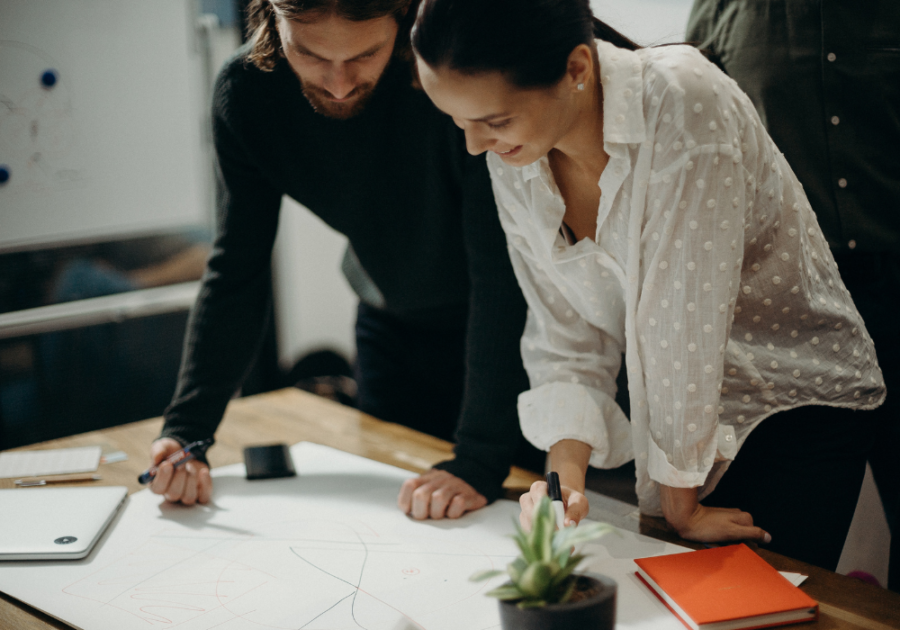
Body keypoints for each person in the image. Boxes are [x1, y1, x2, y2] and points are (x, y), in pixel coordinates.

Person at [412, 0, 886, 569]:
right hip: (678, 431)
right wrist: (561, 488)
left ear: (577, 69)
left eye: (493, 121)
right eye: (459, 122)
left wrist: (678, 505)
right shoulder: (515, 153)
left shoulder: (684, 101)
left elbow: (681, 323)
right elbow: (566, 333)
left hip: (783, 408)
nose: (474, 145)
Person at [147, 0, 543, 520]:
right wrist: (188, 430)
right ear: (270, 17)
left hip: (511, 341)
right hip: (391, 331)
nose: (338, 84)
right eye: (309, 54)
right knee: (392, 529)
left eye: (364, 54)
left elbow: (499, 275)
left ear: (402, 19)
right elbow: (235, 269)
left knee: (503, 528)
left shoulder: (451, 80)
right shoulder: (246, 94)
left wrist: (478, 460)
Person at [687, 0, 900, 591]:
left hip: (894, 275)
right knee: (782, 550)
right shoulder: (723, 12)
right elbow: (701, 143)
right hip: (792, 313)